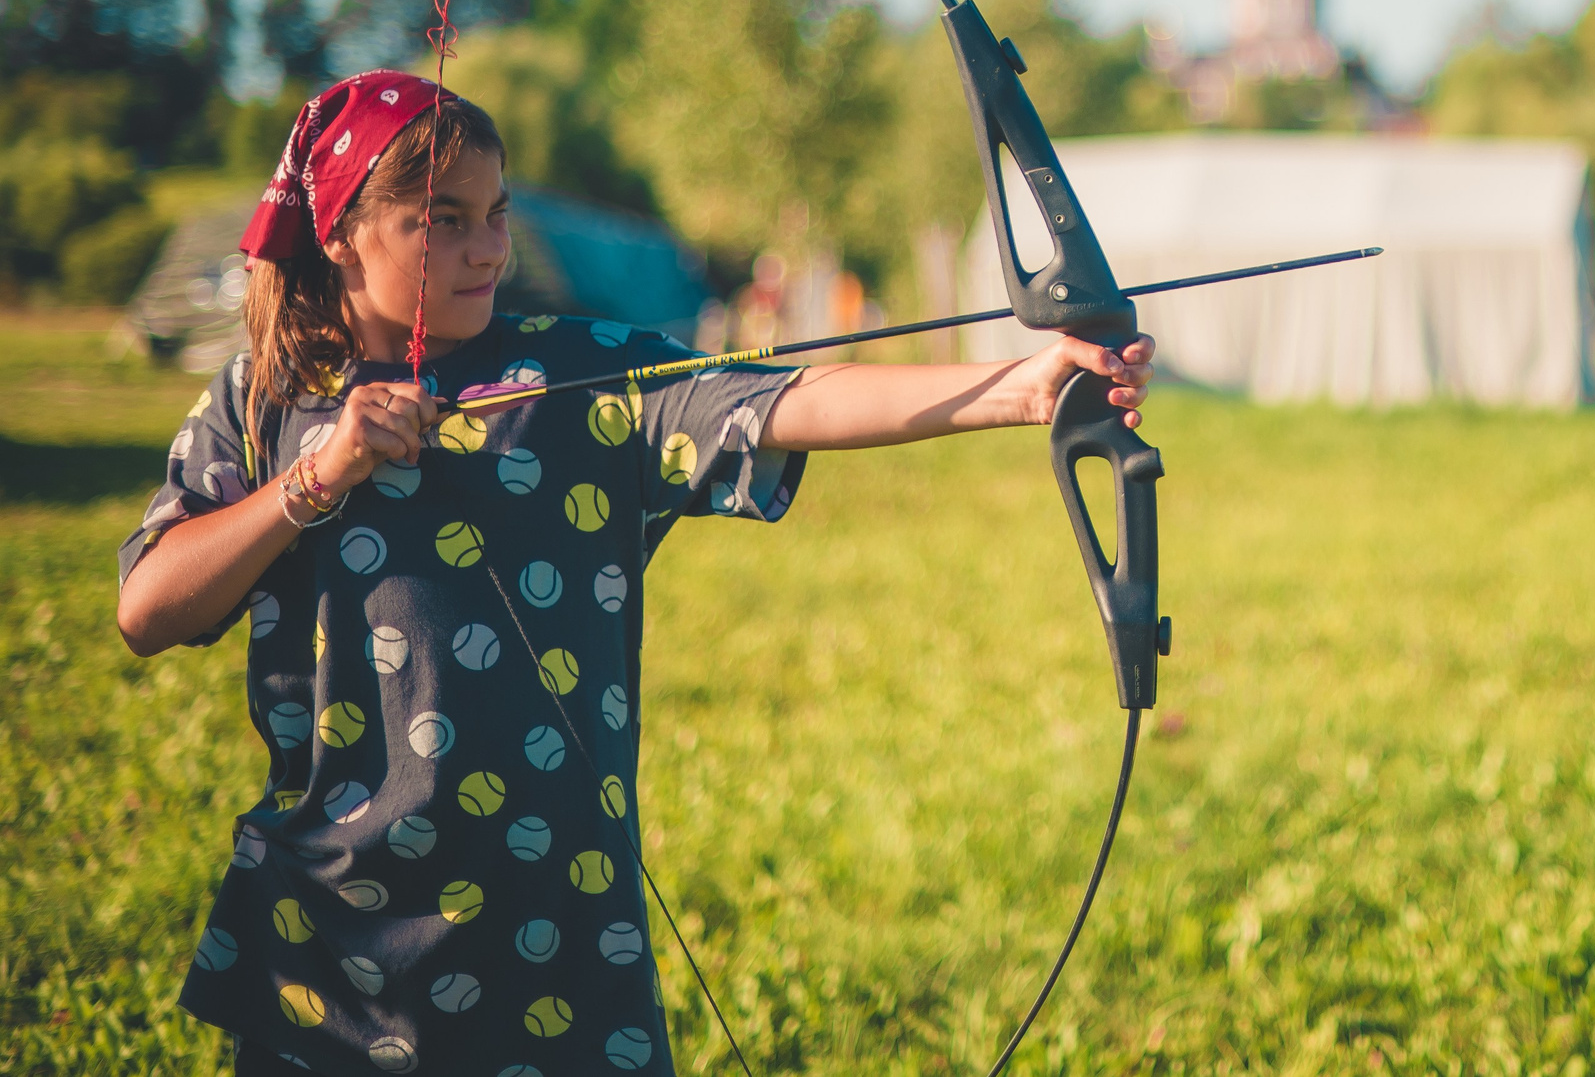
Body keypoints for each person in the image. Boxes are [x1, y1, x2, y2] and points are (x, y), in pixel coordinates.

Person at [115, 71, 1154, 1076]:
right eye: (443, 220)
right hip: (329, 939)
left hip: (551, 922)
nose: (490, 247)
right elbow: (149, 610)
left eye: (497, 213)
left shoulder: (577, 377)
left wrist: (1022, 388)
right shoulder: (264, 401)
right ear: (341, 232)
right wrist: (319, 475)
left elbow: (787, 401)